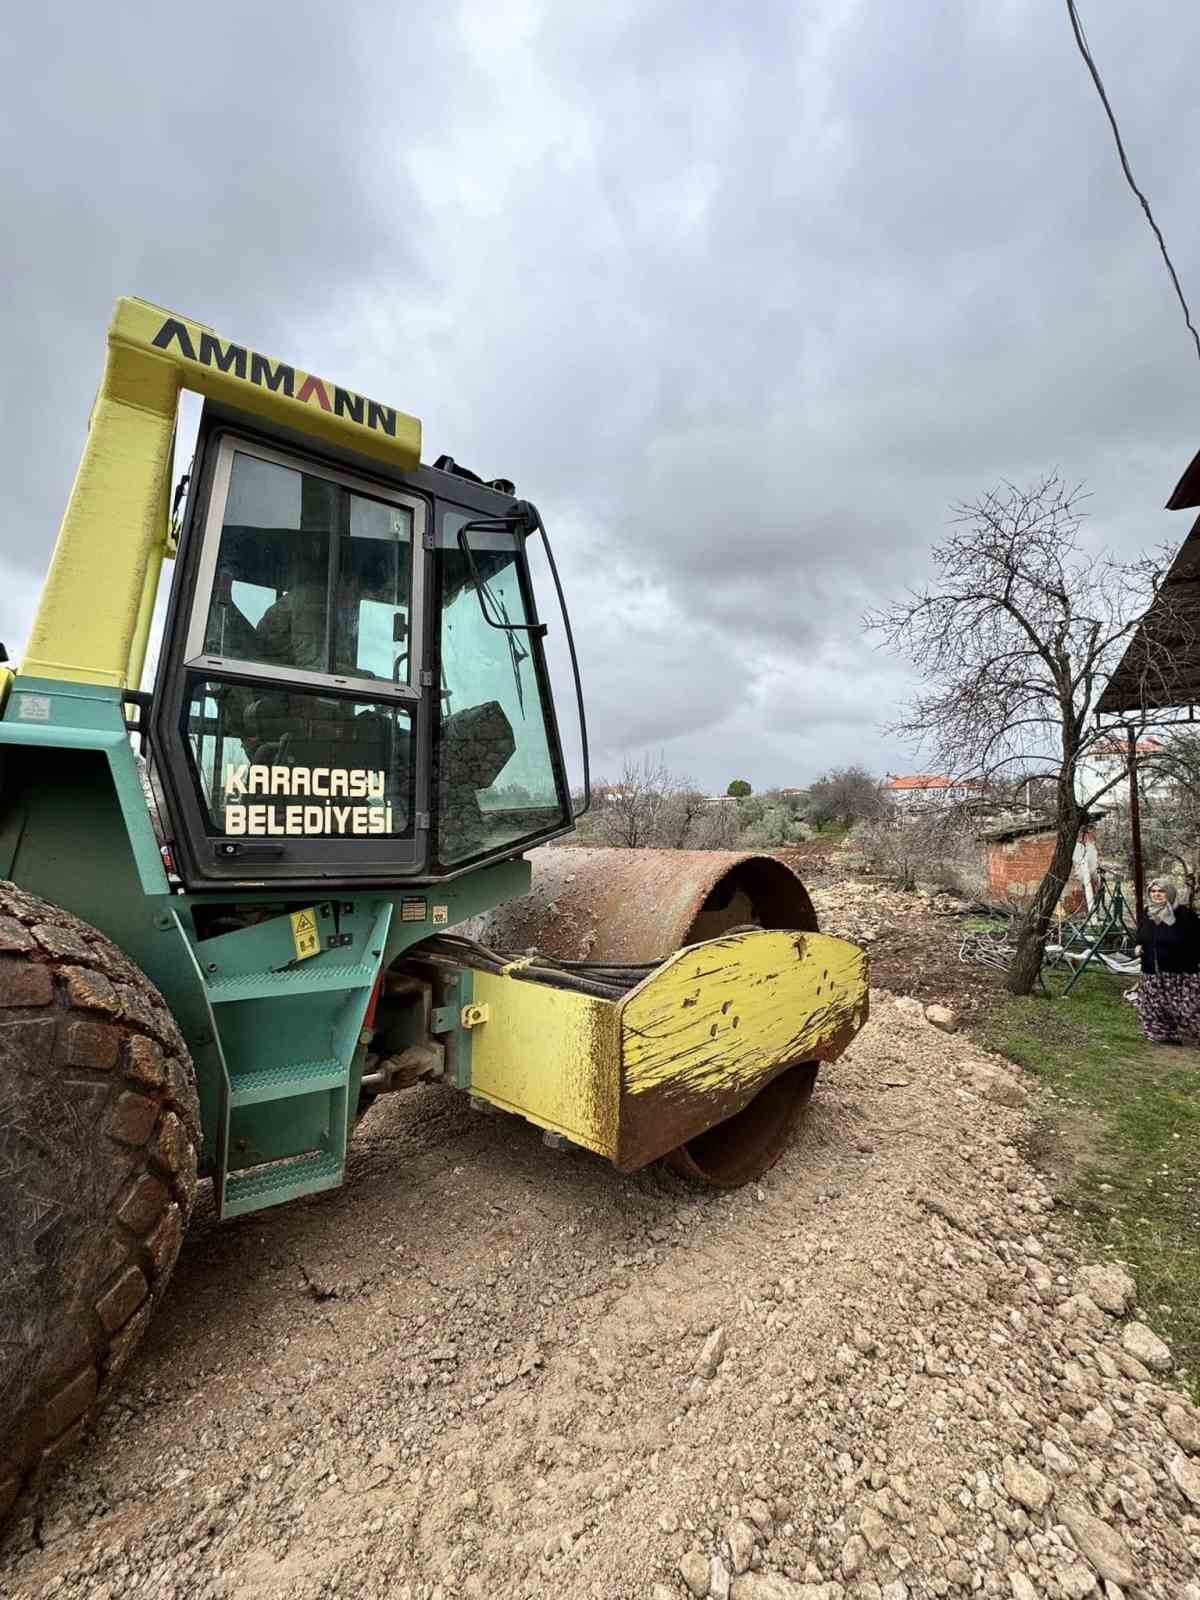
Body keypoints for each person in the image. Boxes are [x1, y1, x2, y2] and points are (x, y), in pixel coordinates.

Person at [1132, 877, 1200, 1044]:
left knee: (1188, 1007)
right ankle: (1161, 1034)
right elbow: (1142, 935)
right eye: (1153, 891)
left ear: (1169, 893)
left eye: (1161, 891)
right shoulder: (1148, 913)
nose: (1157, 894)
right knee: (1153, 1006)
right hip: (1151, 970)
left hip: (1180, 971)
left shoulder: (1184, 915)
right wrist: (1139, 945)